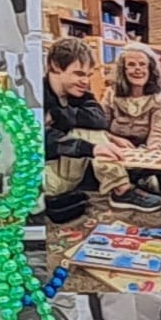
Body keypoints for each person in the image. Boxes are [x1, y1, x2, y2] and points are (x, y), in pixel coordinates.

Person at [41, 37, 112, 225]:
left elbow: (99, 119)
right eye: (79, 74)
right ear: (55, 66)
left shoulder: (78, 93)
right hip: (39, 174)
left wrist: (59, 115)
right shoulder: (36, 94)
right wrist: (91, 148)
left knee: (96, 132)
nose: (85, 81)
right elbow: (43, 141)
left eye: (89, 75)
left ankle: (121, 188)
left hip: (65, 171)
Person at [101, 42, 161, 204]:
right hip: (116, 149)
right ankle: (130, 185)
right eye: (131, 65)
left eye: (142, 65)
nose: (137, 69)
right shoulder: (111, 94)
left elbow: (158, 133)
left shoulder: (159, 99)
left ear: (150, 69)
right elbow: (100, 128)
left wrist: (151, 155)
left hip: (144, 149)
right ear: (123, 70)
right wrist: (115, 140)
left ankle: (141, 179)